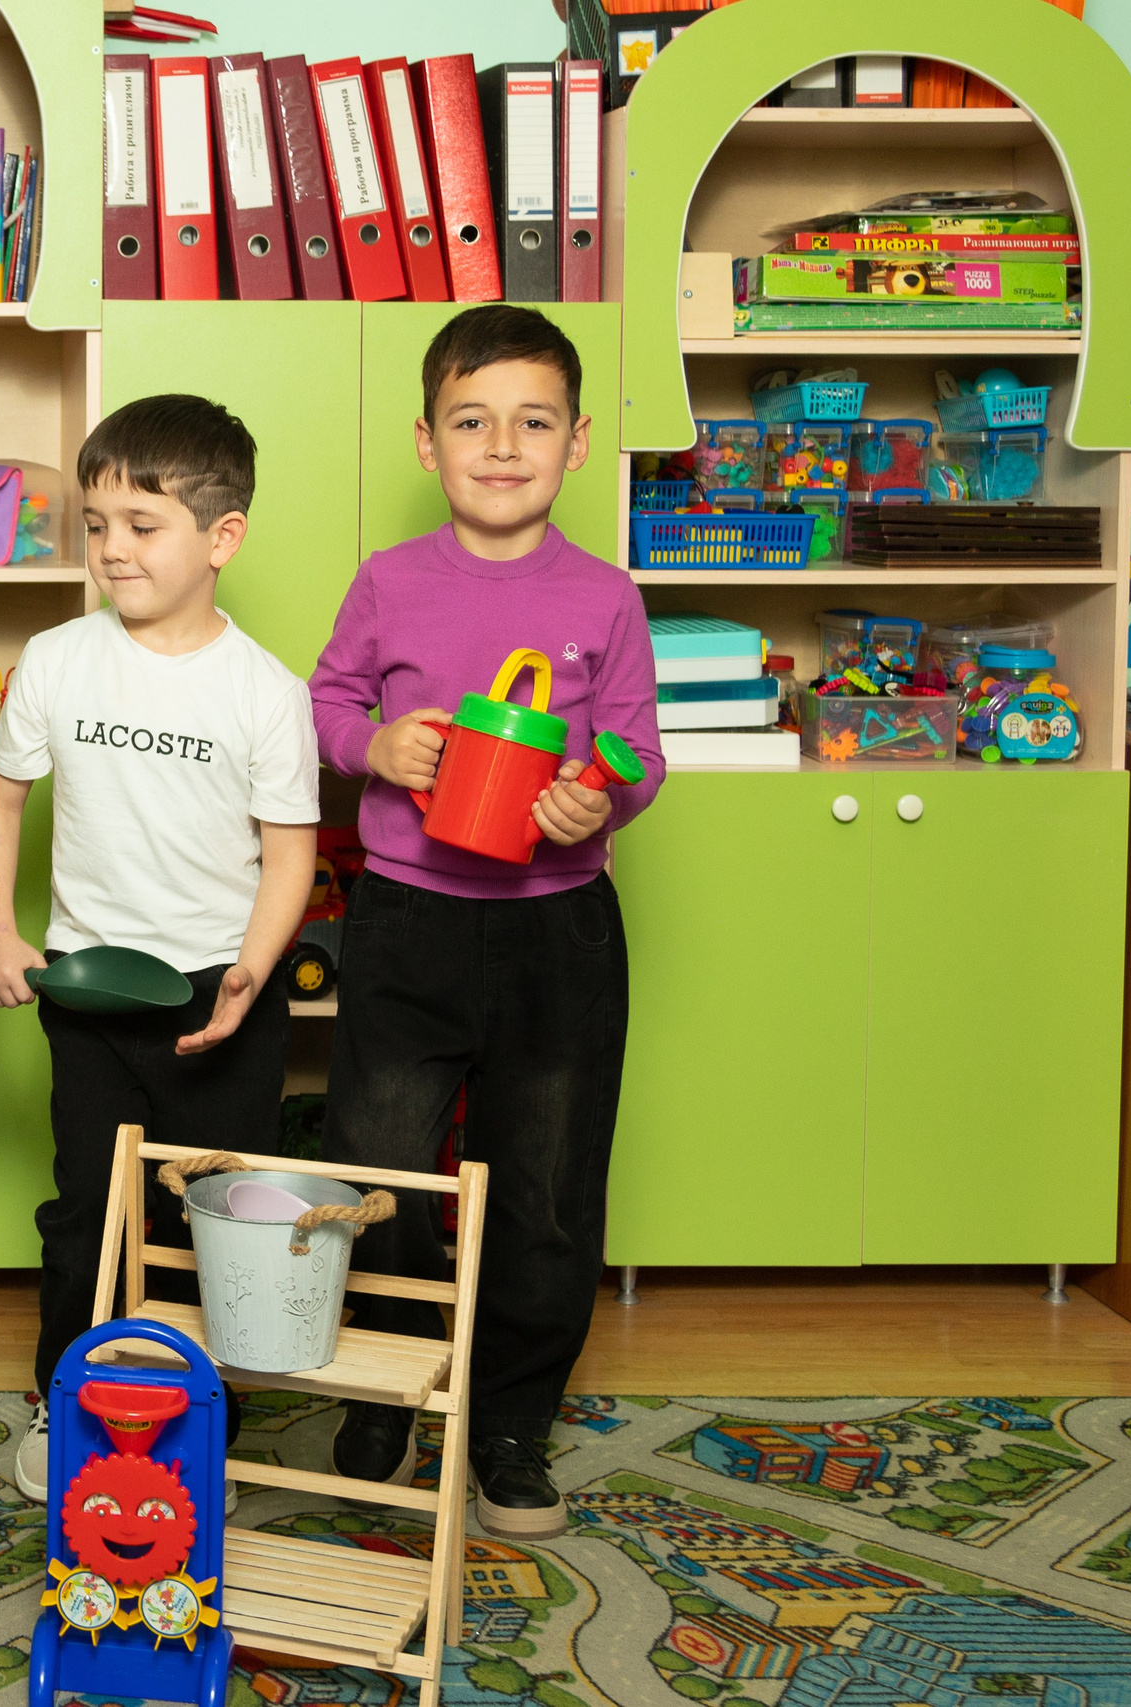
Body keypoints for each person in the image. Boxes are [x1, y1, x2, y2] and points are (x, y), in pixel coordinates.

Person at [309, 304, 664, 1540]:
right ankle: (387, 1394)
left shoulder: (605, 597)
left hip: (557, 933)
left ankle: (512, 1426)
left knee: (547, 1192)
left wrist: (594, 796)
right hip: (406, 921)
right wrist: (373, 745)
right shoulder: (387, 583)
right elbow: (330, 702)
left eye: (533, 422)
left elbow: (640, 755)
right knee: (385, 1175)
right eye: (472, 421)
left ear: (575, 445)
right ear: (426, 441)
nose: (502, 445)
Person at [0, 394, 321, 1503]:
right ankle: (60, 1401)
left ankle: (190, 1423)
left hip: (217, 998)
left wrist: (250, 976)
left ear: (222, 537)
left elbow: (289, 857)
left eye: (141, 522)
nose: (111, 548)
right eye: (95, 523)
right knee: (86, 1207)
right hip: (87, 989)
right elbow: (2, 805)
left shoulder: (266, 693)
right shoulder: (54, 658)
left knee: (206, 1223)